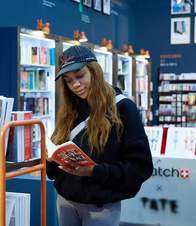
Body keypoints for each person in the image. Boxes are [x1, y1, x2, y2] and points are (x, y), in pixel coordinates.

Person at [46, 45, 153, 226]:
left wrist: (95, 171)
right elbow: (55, 168)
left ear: (95, 72)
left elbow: (140, 167)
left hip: (101, 207)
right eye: (68, 80)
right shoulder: (69, 111)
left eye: (80, 76)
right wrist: (51, 161)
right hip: (65, 201)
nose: (75, 85)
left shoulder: (123, 108)